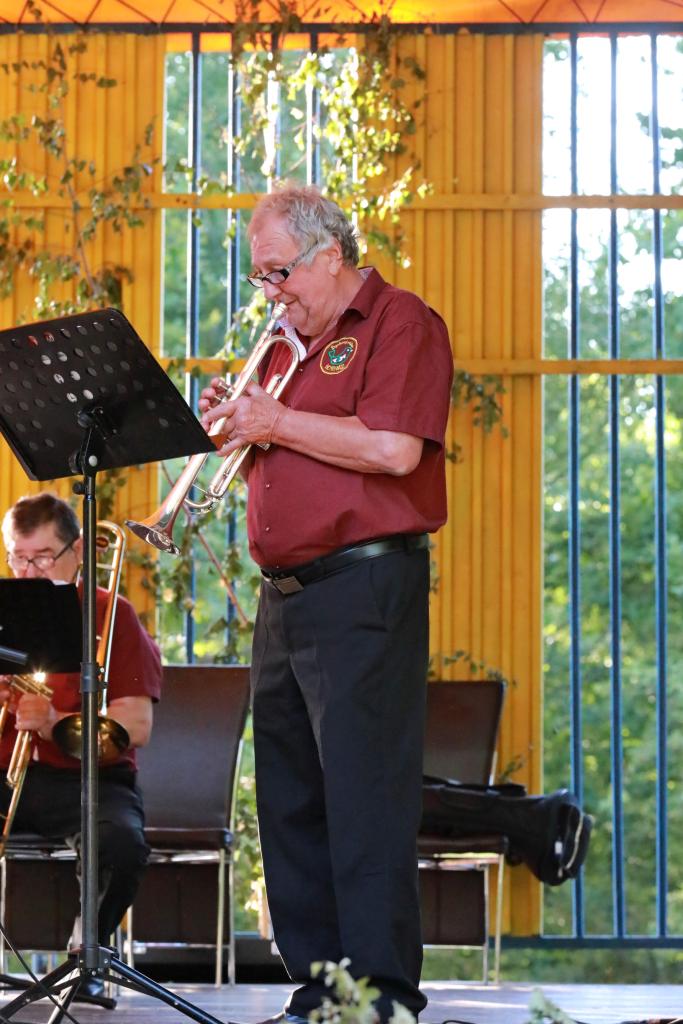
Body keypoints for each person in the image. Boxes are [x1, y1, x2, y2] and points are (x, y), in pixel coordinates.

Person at [199, 183, 453, 1023]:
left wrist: (273, 423)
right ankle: (321, 992)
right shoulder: (287, 349)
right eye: (261, 277)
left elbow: (393, 449)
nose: (270, 293)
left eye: (279, 273)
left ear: (329, 254)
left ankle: (377, 999)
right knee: (290, 801)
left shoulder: (399, 322)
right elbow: (285, 450)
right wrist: (239, 425)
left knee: (363, 798)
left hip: (362, 589)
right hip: (286, 599)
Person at [0, 493, 162, 999]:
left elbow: (136, 725)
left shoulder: (112, 615)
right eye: (17, 558)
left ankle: (85, 955)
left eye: (42, 558)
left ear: (76, 553)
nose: (28, 573)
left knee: (122, 844)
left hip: (89, 778)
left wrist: (54, 722)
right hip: (7, 773)